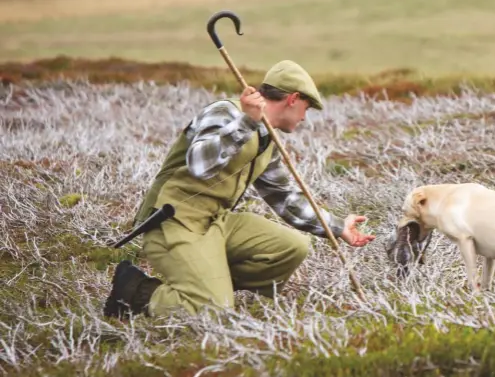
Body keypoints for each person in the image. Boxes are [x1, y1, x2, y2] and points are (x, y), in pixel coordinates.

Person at [103, 59, 376, 319]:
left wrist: (338, 227)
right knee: (213, 311)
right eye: (307, 106)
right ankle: (137, 292)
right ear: (292, 99)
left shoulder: (267, 139)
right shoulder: (225, 113)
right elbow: (199, 163)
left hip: (215, 222)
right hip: (173, 221)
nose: (305, 116)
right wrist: (247, 122)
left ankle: (210, 282)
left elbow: (284, 198)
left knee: (293, 247)